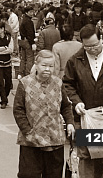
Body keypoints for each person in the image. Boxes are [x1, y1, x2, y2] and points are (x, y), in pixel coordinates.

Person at [63, 24, 103, 178]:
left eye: (95, 45)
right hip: (83, 114)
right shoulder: (75, 60)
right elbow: (68, 84)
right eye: (87, 47)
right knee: (85, 154)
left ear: (101, 38)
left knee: (100, 156)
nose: (92, 49)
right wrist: (76, 101)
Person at [14, 50, 74, 178]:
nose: (47, 69)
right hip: (31, 142)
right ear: (36, 64)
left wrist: (70, 123)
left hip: (55, 139)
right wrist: (28, 132)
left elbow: (66, 106)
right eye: (44, 65)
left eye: (51, 66)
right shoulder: (25, 83)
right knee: (28, 175)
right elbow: (18, 110)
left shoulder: (58, 83)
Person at [0, 18, 16, 109]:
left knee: (8, 82)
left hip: (7, 63)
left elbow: (11, 50)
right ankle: (3, 100)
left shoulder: (9, 38)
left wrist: (1, 50)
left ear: (2, 29)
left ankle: (5, 96)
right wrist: (4, 48)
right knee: (0, 82)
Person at [19, 8, 36, 78]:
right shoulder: (28, 21)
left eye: (32, 11)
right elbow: (30, 33)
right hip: (27, 41)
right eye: (30, 12)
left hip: (22, 40)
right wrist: (32, 43)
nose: (32, 13)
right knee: (29, 58)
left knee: (23, 58)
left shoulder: (23, 19)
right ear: (26, 12)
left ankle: (20, 73)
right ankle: (28, 74)